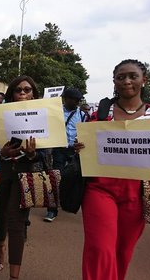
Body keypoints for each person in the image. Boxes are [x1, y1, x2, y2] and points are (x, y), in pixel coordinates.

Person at [76, 59, 150, 280]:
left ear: (144, 80)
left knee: (122, 252)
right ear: (114, 82)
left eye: (132, 76)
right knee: (100, 249)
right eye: (121, 77)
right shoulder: (100, 112)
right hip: (100, 189)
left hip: (138, 194)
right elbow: (85, 145)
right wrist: (79, 147)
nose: (126, 81)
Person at [0, 75, 47, 279]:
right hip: (3, 171)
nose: (23, 93)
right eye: (18, 90)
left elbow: (47, 152)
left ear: (34, 93)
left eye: (27, 90)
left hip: (26, 174)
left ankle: (14, 275)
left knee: (17, 221)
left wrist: (33, 154)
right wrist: (3, 153)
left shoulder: (44, 117)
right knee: (1, 215)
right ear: (11, 94)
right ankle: (0, 246)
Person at [44, 87, 86, 222]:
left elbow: (85, 134)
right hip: (59, 149)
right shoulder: (55, 112)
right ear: (66, 99)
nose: (77, 103)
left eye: (78, 100)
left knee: (74, 178)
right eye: (74, 100)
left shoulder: (83, 116)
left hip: (74, 151)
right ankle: (52, 210)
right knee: (55, 178)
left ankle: (69, 203)